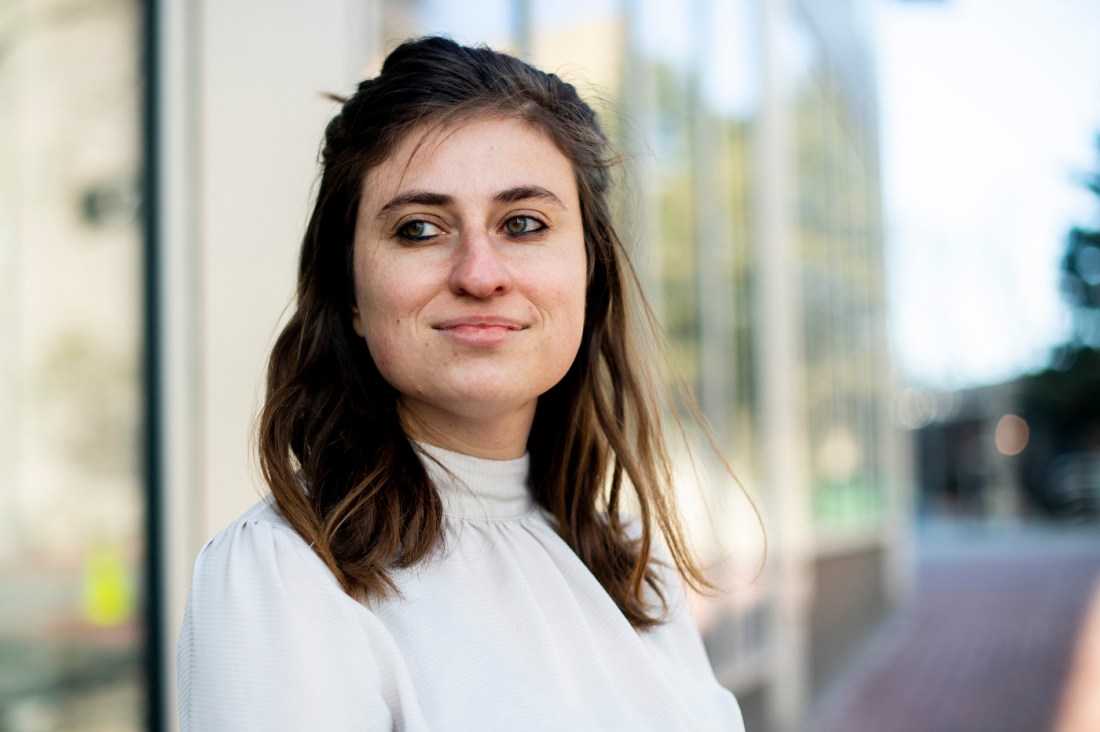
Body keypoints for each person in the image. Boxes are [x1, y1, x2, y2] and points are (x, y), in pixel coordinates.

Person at [176, 36, 745, 731]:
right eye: (418, 229)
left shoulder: (630, 563)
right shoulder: (285, 577)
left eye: (524, 224)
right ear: (350, 294)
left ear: (589, 275)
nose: (480, 273)